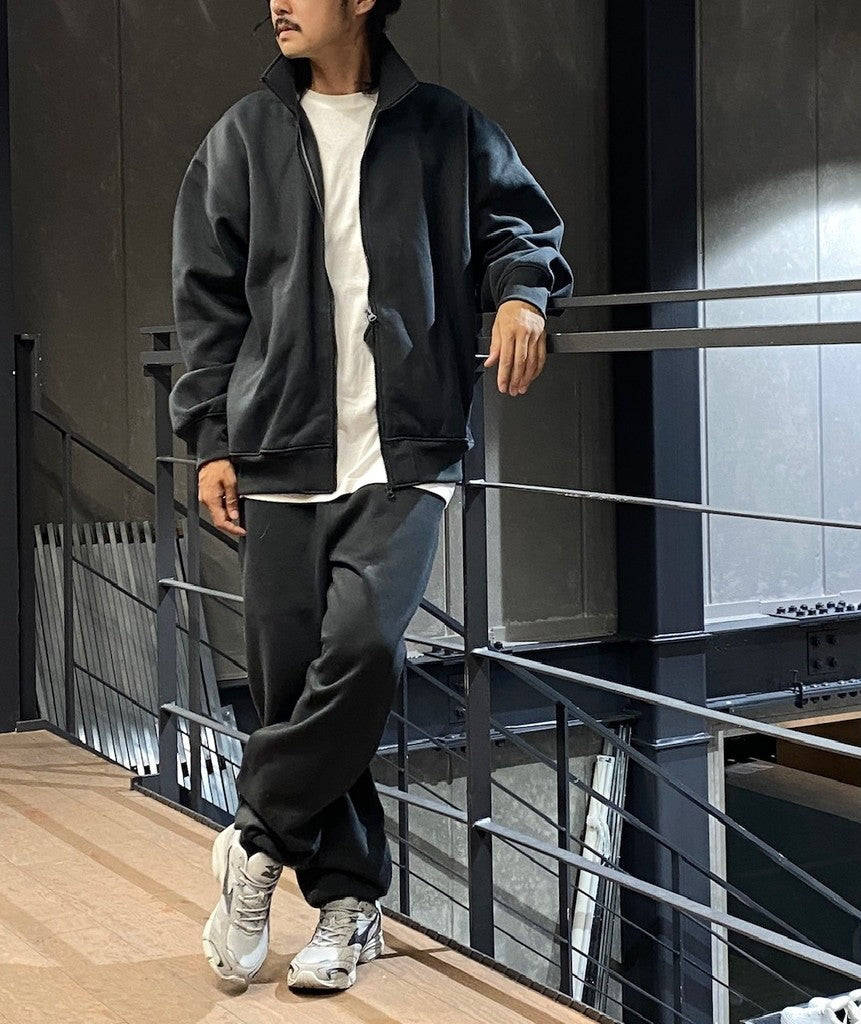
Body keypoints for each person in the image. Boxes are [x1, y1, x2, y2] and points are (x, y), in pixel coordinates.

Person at [168, 0, 573, 995]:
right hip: (280, 451)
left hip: (405, 450)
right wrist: (211, 438)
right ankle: (349, 906)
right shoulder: (243, 137)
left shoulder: (446, 128)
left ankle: (254, 839)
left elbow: (520, 227)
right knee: (292, 683)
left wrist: (523, 294)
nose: (278, 2)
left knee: (359, 653)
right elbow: (205, 303)